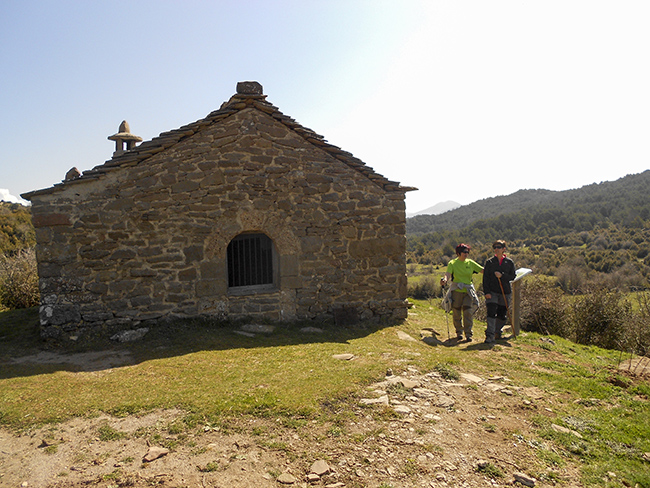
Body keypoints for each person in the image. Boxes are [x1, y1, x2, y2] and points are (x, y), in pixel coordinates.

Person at [440, 243, 483, 342]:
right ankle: (459, 332)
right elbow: (448, 274)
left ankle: (468, 334)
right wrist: (445, 280)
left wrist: (494, 271)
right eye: (464, 252)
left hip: (468, 291)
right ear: (458, 253)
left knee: (468, 312)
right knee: (456, 312)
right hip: (456, 291)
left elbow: (482, 270)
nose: (466, 254)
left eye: (467, 252)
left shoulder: (470, 263)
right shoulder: (452, 263)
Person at [482, 240, 516, 343]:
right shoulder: (490, 262)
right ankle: (490, 335)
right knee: (491, 312)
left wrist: (502, 276)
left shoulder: (509, 262)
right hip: (492, 292)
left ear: (504, 249)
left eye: (499, 247)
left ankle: (497, 332)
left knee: (502, 314)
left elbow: (513, 276)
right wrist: (486, 292)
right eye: (495, 247)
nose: (496, 249)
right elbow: (485, 278)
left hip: (505, 292)